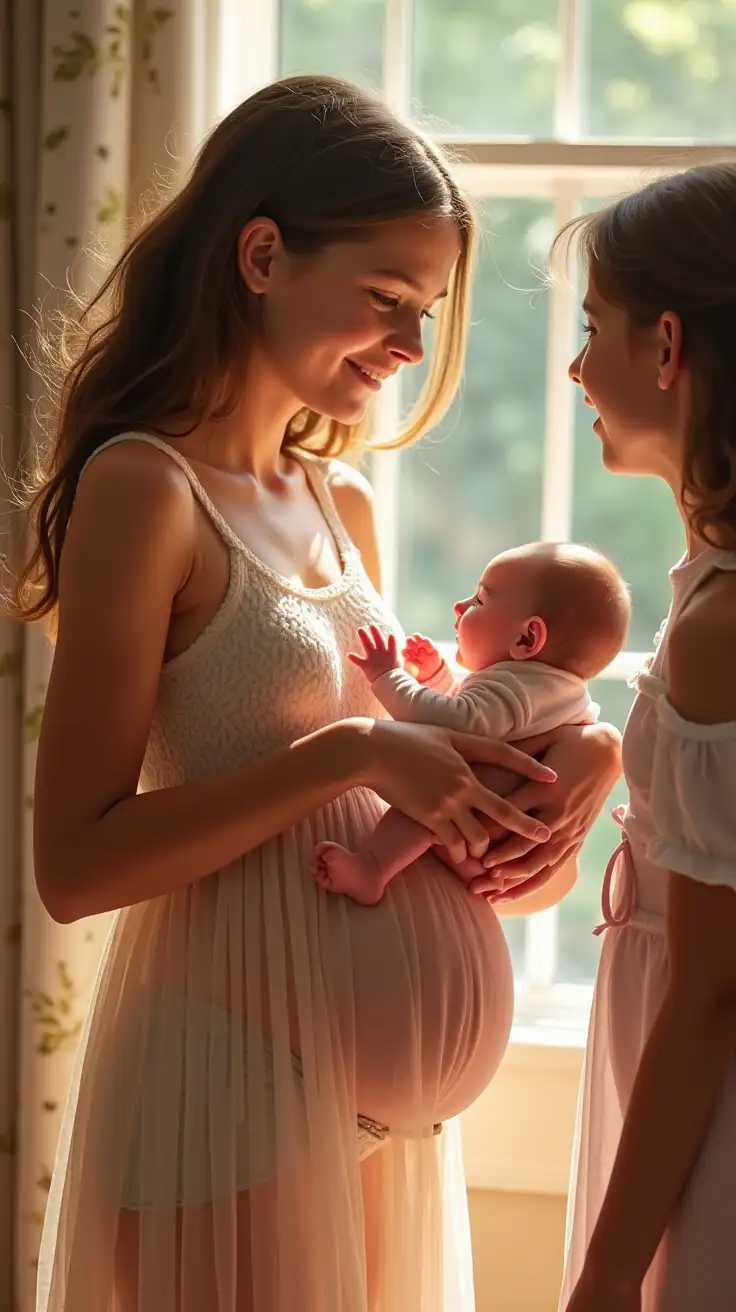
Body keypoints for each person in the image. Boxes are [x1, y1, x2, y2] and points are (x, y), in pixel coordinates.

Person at [16, 76, 621, 1312]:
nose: (410, 345)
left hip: (367, 1103)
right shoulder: (148, 490)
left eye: (427, 310)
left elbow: (423, 796)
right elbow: (72, 865)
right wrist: (350, 751)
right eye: (387, 300)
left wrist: (545, 816)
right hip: (223, 1077)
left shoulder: (337, 505)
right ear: (260, 254)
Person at [555, 163, 736, 1312]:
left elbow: (713, 986)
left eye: (591, 332)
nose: (575, 369)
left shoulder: (721, 625)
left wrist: (611, 1268)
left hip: (701, 1131)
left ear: (665, 346)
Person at [312, 542, 630, 904]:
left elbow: (456, 724)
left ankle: (373, 867)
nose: (459, 607)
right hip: (495, 839)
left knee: (424, 803)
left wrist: (389, 677)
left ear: (527, 639)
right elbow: (471, 725)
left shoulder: (515, 685)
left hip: (477, 826)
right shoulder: (550, 689)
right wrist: (437, 679)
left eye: (479, 601)